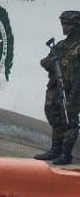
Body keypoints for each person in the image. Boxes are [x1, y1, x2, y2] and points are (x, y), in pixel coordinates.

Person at [35, 10, 80, 165]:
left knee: (69, 120)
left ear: (77, 26)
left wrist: (74, 93)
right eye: (63, 24)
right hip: (56, 87)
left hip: (73, 89)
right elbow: (45, 61)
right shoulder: (60, 45)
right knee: (53, 114)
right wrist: (49, 62)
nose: (64, 27)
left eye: (68, 24)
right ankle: (55, 149)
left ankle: (66, 154)